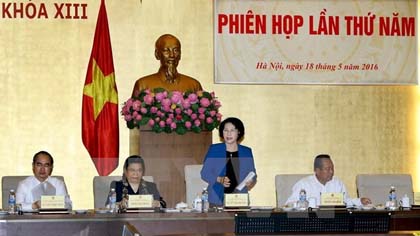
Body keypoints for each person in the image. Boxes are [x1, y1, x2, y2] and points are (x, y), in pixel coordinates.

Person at [201, 117, 257, 207]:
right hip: (217, 198)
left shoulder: (246, 151)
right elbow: (205, 173)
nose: (228, 134)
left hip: (239, 199)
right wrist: (220, 179)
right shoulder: (215, 150)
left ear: (238, 132)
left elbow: (252, 173)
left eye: (232, 130)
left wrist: (251, 181)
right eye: (225, 130)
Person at [286, 154, 371, 207]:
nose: (331, 172)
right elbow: (288, 204)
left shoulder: (337, 183)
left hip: (334, 221)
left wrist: (360, 201)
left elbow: (345, 201)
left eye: (332, 168)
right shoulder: (304, 184)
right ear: (317, 170)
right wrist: (303, 204)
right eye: (327, 169)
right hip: (311, 222)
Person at [132, 34, 203, 95]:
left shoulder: (193, 85)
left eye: (175, 50)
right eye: (166, 50)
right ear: (157, 54)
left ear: (180, 54)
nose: (172, 55)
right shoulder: (143, 85)